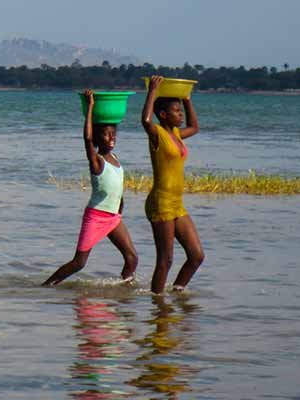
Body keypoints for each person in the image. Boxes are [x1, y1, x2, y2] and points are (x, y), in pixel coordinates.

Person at [43, 89, 138, 286]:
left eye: (113, 132)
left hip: (113, 218)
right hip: (96, 217)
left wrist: (121, 203)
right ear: (97, 137)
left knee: (131, 258)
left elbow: (116, 187)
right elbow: (87, 139)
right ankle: (47, 286)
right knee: (79, 263)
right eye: (106, 134)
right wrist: (91, 107)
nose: (111, 137)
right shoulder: (97, 161)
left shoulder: (116, 160)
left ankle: (125, 290)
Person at [141, 75, 204, 294]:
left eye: (180, 110)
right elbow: (146, 121)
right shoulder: (157, 134)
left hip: (177, 204)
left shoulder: (176, 133)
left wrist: (187, 99)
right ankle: (157, 304)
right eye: (177, 111)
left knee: (196, 255)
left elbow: (194, 127)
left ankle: (176, 293)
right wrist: (153, 92)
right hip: (161, 203)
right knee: (165, 260)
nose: (181, 115)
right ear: (163, 115)